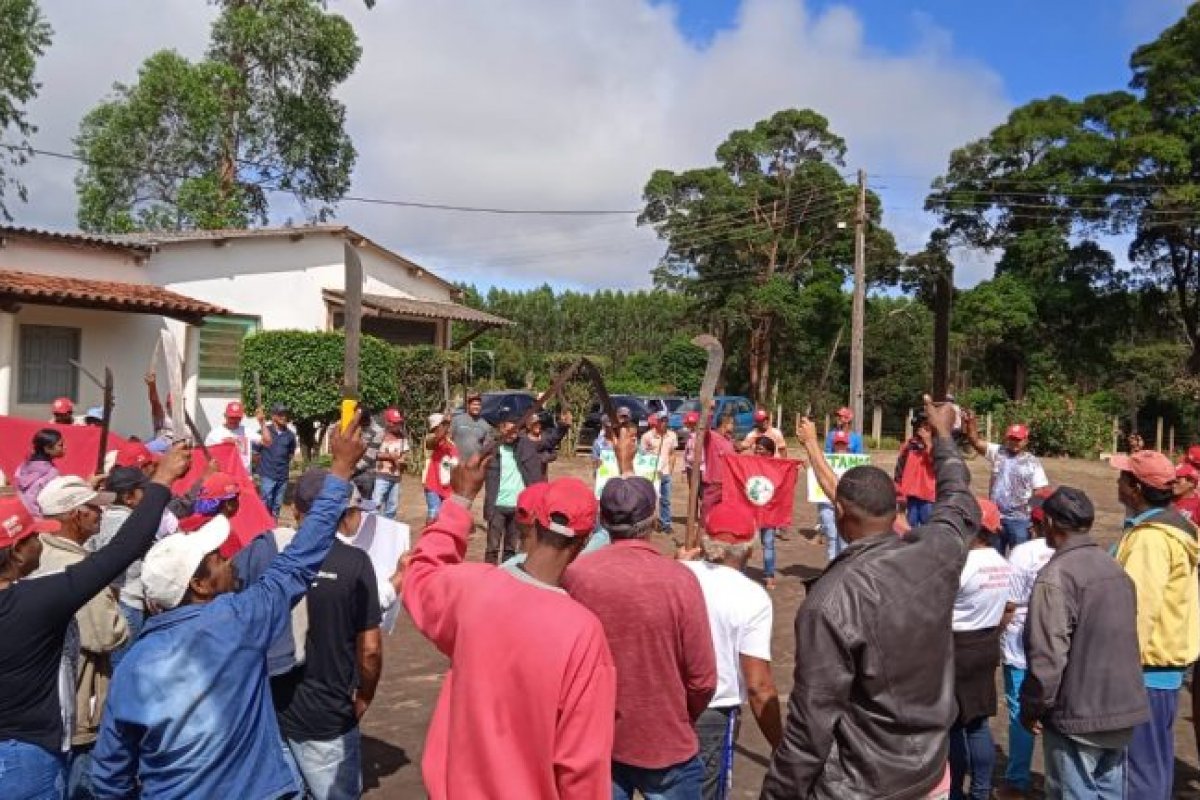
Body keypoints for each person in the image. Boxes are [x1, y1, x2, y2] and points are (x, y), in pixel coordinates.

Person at [89, 418, 365, 799]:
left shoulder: (133, 664)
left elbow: (110, 774)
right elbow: (300, 558)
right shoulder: (238, 621)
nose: (228, 562)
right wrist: (340, 472)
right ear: (198, 586)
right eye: (217, 559)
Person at [763, 397, 978, 798]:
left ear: (839, 512)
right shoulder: (938, 551)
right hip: (932, 772)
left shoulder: (829, 601)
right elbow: (959, 499)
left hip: (864, 783)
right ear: (894, 506)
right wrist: (945, 437)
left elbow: (810, 726)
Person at [403, 463, 617, 799]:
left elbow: (420, 575)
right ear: (585, 540)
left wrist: (460, 501)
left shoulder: (473, 589)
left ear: (531, 522)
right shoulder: (583, 633)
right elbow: (582, 765)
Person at [0, 442, 189, 799]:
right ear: (17, 551)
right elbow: (124, 550)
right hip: (27, 758)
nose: (41, 537)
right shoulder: (36, 600)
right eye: (32, 535)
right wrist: (162, 479)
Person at [562, 426, 717, 800]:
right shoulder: (679, 579)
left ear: (603, 521)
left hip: (596, 741)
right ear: (651, 521)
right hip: (664, 744)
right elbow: (703, 679)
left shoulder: (575, 575)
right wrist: (678, 717)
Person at [1020, 487, 1150, 799]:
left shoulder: (1056, 576)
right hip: (1121, 708)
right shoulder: (1114, 567)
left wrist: (1033, 707)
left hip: (1078, 715)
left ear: (1049, 522)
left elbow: (1047, 656)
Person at [269, 470, 383, 800]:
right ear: (339, 513)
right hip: (328, 714)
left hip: (275, 708)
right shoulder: (355, 563)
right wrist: (365, 695)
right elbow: (371, 649)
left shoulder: (272, 557)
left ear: (295, 511)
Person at [1110, 448, 1199, 800]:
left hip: (1144, 668)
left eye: (1123, 477)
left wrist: (1119, 668)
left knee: (1139, 772)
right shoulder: (1176, 527)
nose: (1117, 482)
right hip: (1163, 669)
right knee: (1152, 767)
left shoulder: (1150, 540)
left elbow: (1137, 610)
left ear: (1135, 487)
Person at [31, 476, 124, 800]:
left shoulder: (32, 554)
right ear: (73, 515)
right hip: (78, 701)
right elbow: (107, 635)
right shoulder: (80, 570)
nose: (100, 514)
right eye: (93, 508)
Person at [681, 503, 781, 800]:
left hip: (666, 702)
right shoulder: (751, 596)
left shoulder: (678, 573)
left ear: (704, 539)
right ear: (750, 548)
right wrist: (779, 742)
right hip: (713, 709)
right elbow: (758, 685)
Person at [948, 497, 1011, 800]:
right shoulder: (1001, 563)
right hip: (986, 644)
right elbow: (1008, 609)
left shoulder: (962, 564)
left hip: (956, 647)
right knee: (977, 723)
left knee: (953, 725)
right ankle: (981, 790)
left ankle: (956, 791)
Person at [996, 488, 1056, 800]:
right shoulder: (1068, 552)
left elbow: (1008, 603)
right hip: (1057, 645)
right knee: (1055, 710)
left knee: (1021, 710)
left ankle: (1017, 780)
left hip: (1020, 644)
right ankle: (1056, 779)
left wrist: (995, 637)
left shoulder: (1022, 553)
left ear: (1034, 524)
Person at [90, 468, 160, 669]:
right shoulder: (130, 522)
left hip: (114, 599)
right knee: (123, 664)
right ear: (129, 497)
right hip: (128, 600)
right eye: (143, 490)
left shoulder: (103, 517)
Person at [962, 416, 1049, 555]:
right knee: (994, 556)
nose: (1014, 442)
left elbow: (1040, 492)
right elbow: (975, 442)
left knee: (1020, 557)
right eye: (1011, 438)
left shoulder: (1033, 463)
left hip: (1020, 520)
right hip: (996, 518)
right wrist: (971, 423)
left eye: (1018, 439)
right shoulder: (998, 452)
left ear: (1026, 441)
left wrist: (1034, 520)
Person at [484, 413, 554, 564]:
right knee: (492, 548)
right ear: (501, 429)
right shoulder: (493, 450)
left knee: (511, 548)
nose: (512, 435)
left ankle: (505, 579)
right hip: (496, 506)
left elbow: (548, 442)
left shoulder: (525, 446)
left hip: (517, 507)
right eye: (508, 431)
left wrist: (562, 427)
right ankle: (488, 577)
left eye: (515, 431)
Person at [255, 402, 297, 519]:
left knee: (277, 505)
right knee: (265, 502)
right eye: (280, 414)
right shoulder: (264, 431)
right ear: (273, 416)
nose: (284, 417)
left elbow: (290, 454)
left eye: (285, 414)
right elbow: (256, 453)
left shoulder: (290, 435)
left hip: (282, 476)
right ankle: (263, 526)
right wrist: (262, 468)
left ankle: (273, 528)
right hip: (267, 474)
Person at [895, 412, 936, 528]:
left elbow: (936, 464)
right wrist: (899, 492)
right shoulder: (908, 445)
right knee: (909, 529)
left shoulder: (936, 445)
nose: (922, 428)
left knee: (928, 530)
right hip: (909, 496)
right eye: (920, 425)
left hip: (928, 497)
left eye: (926, 426)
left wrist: (928, 443)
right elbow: (899, 470)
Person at [641, 413, 678, 533]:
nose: (664, 423)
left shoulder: (672, 435)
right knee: (648, 499)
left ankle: (665, 524)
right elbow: (641, 456)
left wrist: (670, 471)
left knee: (665, 500)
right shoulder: (647, 436)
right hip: (650, 474)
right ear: (656, 422)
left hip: (665, 473)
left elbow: (672, 454)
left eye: (666, 420)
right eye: (662, 421)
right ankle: (645, 523)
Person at [818, 429, 852, 563]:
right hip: (827, 504)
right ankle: (832, 569)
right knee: (832, 539)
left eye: (843, 444)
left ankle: (843, 570)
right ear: (833, 445)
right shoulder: (825, 460)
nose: (840, 447)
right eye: (838, 444)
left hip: (846, 506)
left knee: (844, 541)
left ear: (847, 446)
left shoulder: (854, 461)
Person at [370, 407, 410, 519]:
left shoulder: (402, 438)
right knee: (376, 505)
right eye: (395, 423)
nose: (398, 426)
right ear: (387, 423)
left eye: (399, 423)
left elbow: (405, 455)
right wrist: (390, 457)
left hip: (396, 478)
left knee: (392, 508)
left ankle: (388, 531)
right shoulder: (380, 436)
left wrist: (403, 462)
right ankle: (373, 529)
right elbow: (373, 454)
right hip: (381, 476)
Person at [752, 436, 780, 589]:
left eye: (761, 450)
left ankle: (769, 576)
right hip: (751, 510)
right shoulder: (748, 464)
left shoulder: (776, 467)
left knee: (768, 543)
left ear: (770, 452)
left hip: (769, 511)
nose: (757, 452)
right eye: (756, 449)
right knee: (746, 542)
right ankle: (740, 572)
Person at [15, 429, 64, 517]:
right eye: (61, 445)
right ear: (48, 448)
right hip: (38, 519)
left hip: (22, 516)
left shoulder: (22, 467)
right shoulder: (51, 473)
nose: (65, 447)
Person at [205, 401, 261, 473]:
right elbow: (207, 456)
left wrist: (262, 422)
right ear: (225, 416)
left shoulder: (247, 431)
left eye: (237, 418)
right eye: (231, 417)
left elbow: (267, 442)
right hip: (223, 476)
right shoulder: (214, 434)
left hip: (243, 476)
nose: (234, 420)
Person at [701, 413, 737, 522]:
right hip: (714, 483)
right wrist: (709, 411)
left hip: (728, 484)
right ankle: (702, 536)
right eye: (732, 423)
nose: (733, 426)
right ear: (725, 424)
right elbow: (704, 428)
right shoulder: (711, 437)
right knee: (707, 514)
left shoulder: (729, 441)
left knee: (724, 515)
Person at [423, 413, 458, 523]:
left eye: (445, 425)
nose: (446, 428)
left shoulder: (451, 444)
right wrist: (446, 423)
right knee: (433, 514)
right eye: (442, 425)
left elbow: (454, 463)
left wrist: (450, 464)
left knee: (444, 518)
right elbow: (435, 440)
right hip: (432, 484)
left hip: (447, 487)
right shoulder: (431, 440)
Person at [524, 409, 572, 481]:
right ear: (528, 425)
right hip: (525, 481)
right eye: (535, 424)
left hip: (541, 480)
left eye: (539, 423)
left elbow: (553, 441)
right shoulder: (522, 439)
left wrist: (563, 425)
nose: (538, 426)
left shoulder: (543, 437)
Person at [450, 390, 493, 463]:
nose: (476, 407)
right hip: (457, 463)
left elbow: (487, 446)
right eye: (474, 404)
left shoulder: (485, 425)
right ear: (468, 405)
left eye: (478, 405)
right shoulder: (457, 420)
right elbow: (449, 439)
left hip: (474, 465)